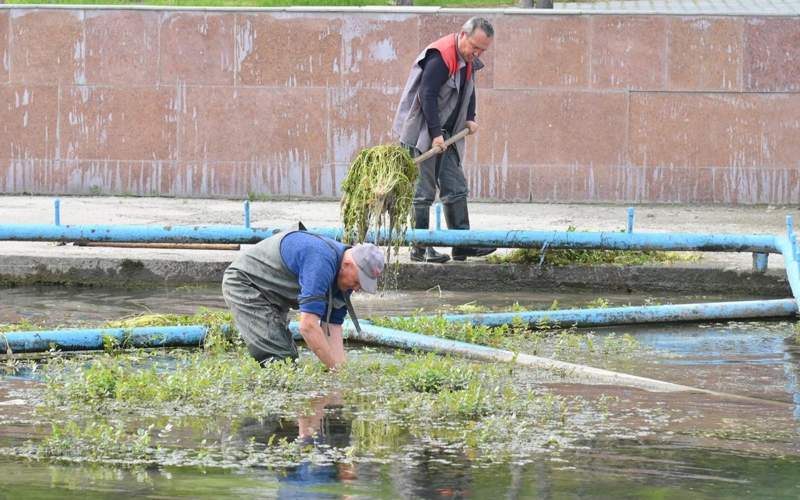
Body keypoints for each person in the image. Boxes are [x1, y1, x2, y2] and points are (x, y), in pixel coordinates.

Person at [393, 16, 497, 264]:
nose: (478, 53)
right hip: (423, 131)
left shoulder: (468, 60)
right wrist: (436, 134)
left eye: (483, 49)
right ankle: (420, 248)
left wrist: (470, 117)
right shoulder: (440, 57)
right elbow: (426, 96)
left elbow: (468, 89)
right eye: (475, 46)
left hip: (448, 134)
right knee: (423, 191)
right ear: (463, 35)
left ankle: (462, 245)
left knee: (455, 187)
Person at [222, 226, 384, 369]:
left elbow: (332, 327)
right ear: (348, 263)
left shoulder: (344, 280)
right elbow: (308, 326)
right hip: (245, 283)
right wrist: (334, 370)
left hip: (274, 294)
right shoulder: (320, 262)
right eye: (357, 281)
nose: (356, 288)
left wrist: (341, 372)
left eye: (361, 286)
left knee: (287, 356)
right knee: (281, 360)